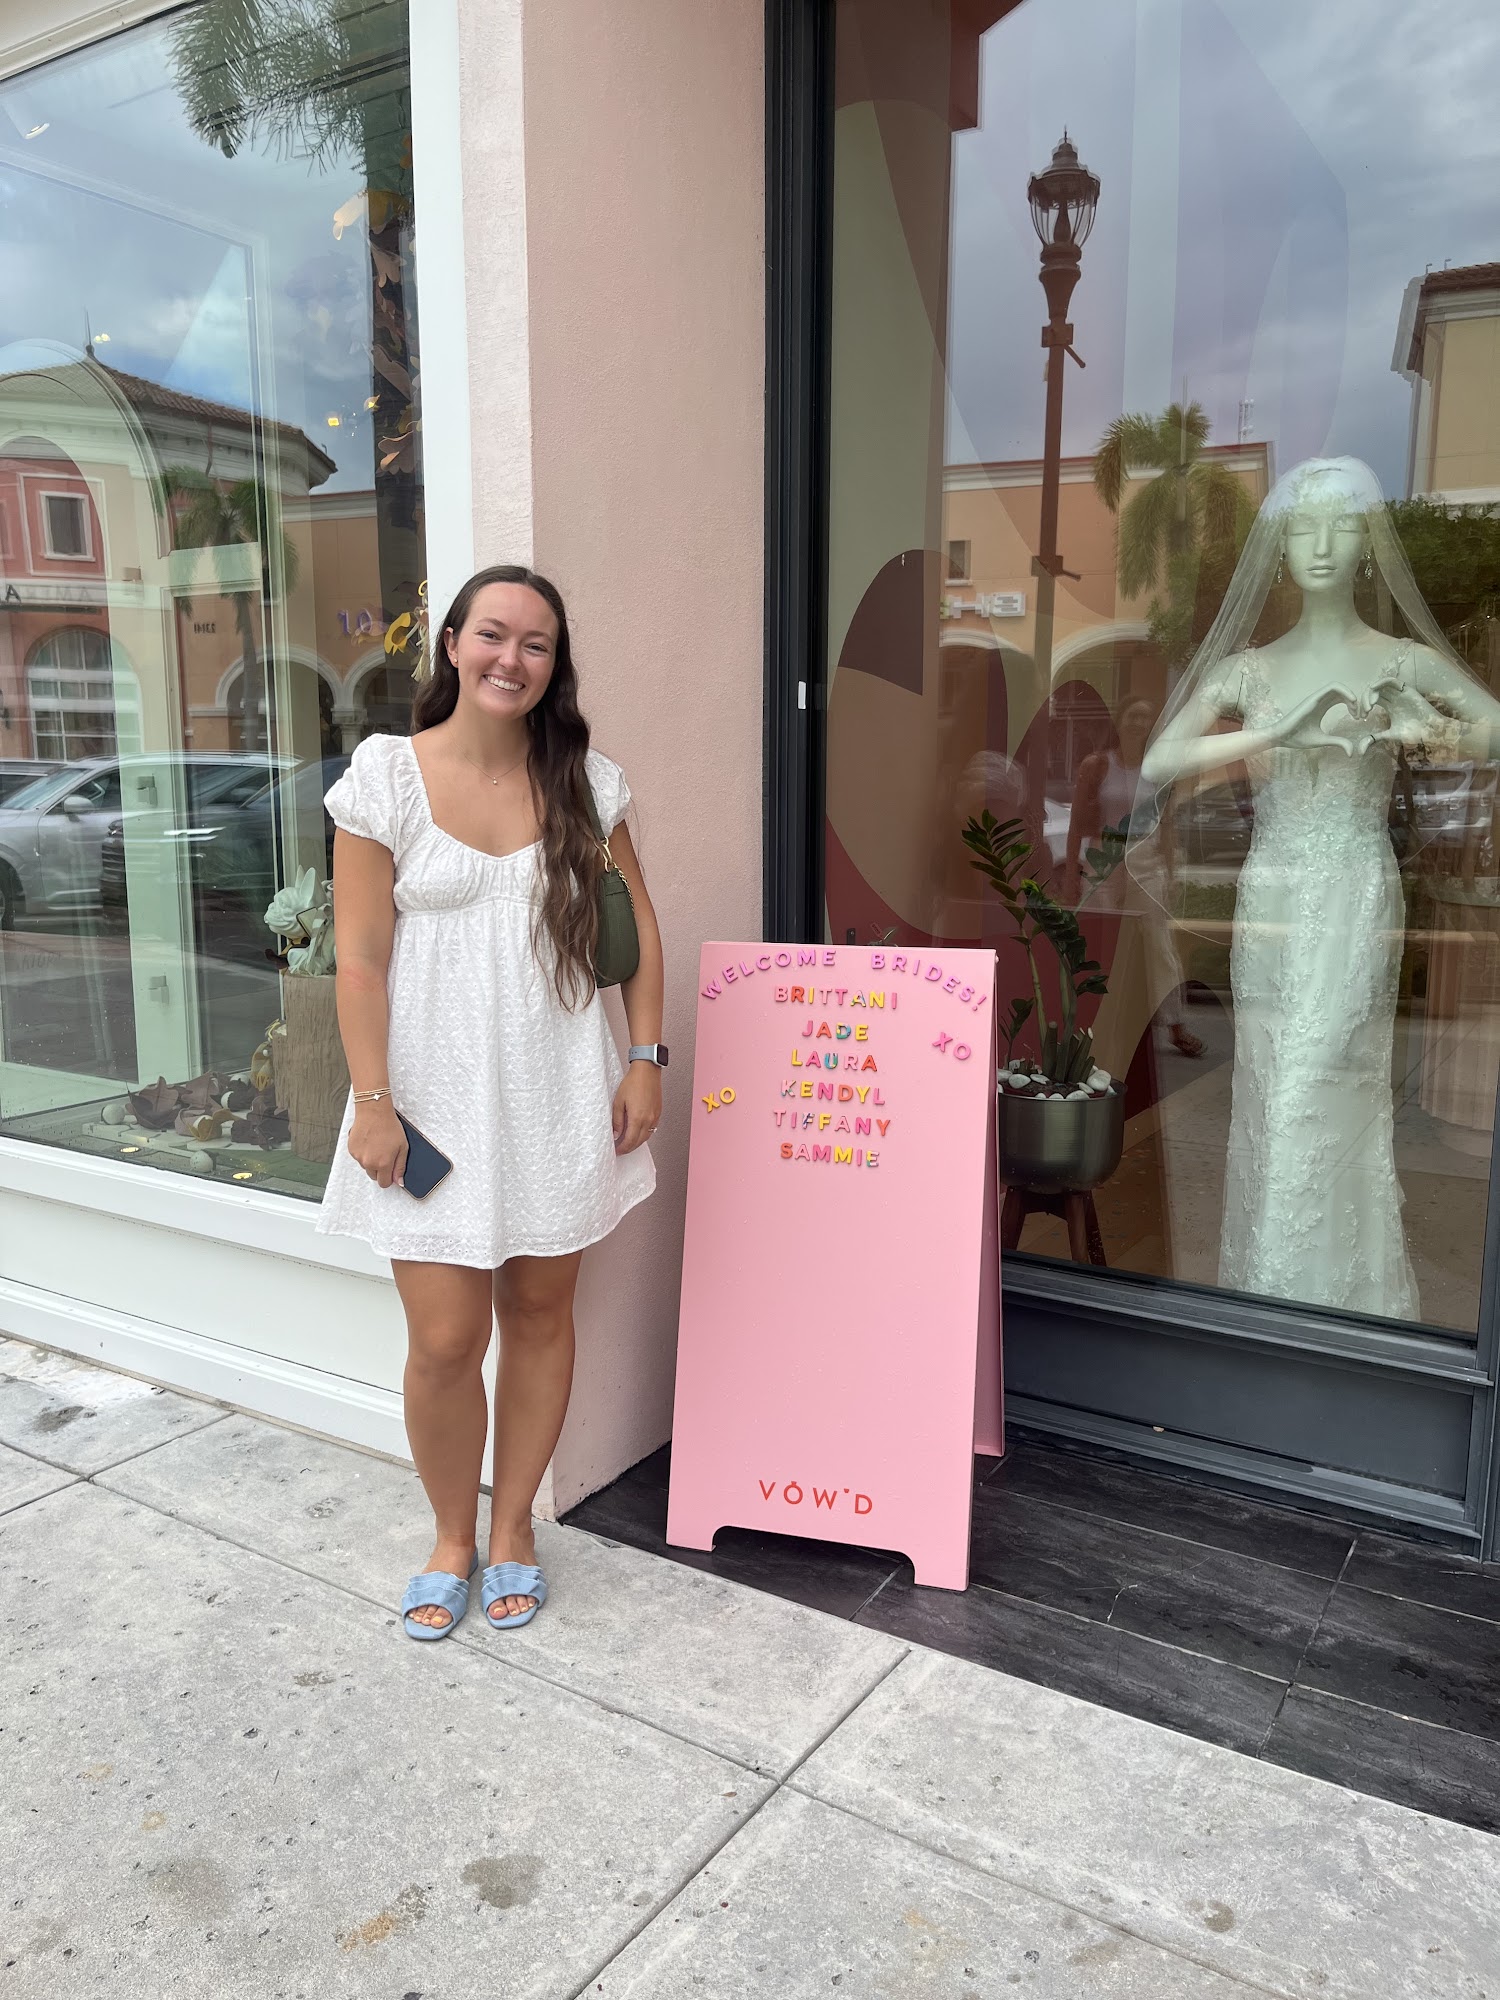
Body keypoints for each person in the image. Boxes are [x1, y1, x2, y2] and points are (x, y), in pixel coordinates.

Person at [317, 565, 664, 1637]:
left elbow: (640, 931)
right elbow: (360, 960)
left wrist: (645, 1058)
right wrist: (371, 1100)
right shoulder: (386, 777)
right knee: (444, 1340)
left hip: (556, 1093)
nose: (512, 658)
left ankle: (512, 1527)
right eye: (493, 635)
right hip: (425, 1101)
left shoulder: (586, 783)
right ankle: (450, 1536)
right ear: (453, 644)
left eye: (537, 643)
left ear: (555, 666)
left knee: (543, 1315)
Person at [1131, 456, 1500, 1318]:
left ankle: (1325, 1303)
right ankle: (1269, 1290)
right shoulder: (1250, 670)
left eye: (1341, 526)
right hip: (1272, 895)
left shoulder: (1400, 661)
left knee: (1326, 1075)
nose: (1322, 545)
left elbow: (1493, 730)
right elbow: (1157, 762)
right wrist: (1271, 733)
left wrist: (1427, 727)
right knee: (1270, 1080)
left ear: (1367, 545)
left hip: (1354, 891)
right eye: (1303, 528)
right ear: (1282, 547)